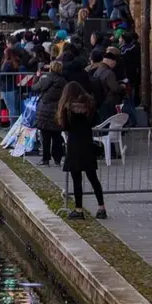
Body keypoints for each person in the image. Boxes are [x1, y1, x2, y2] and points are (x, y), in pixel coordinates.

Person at [57, 81, 106, 220]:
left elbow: (64, 126)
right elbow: (95, 121)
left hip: (74, 145)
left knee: (76, 179)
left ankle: (79, 210)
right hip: (88, 143)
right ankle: (101, 208)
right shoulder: (90, 105)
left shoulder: (67, 108)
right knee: (93, 178)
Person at [32, 60, 68, 166]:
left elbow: (35, 87)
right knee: (57, 136)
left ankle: (45, 159)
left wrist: (37, 76)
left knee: (45, 136)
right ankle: (57, 159)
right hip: (58, 110)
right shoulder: (63, 81)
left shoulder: (46, 78)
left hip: (45, 110)